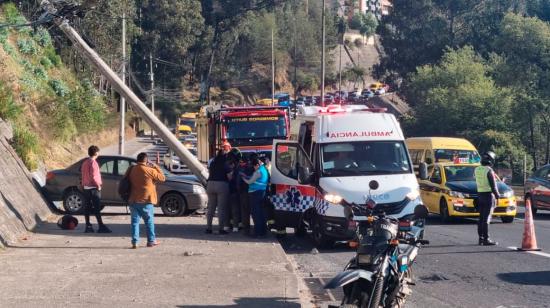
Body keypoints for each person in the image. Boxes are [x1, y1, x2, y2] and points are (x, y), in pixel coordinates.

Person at [126, 152, 166, 249]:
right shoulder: (150, 170)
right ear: (146, 160)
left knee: (135, 222)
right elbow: (163, 178)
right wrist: (156, 166)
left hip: (133, 199)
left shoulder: (131, 169)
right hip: (146, 200)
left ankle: (135, 242)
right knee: (149, 221)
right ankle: (151, 241)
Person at [80, 145, 111, 233]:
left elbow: (83, 175)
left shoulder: (85, 162)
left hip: (86, 187)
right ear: (96, 153)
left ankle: (88, 225)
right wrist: (98, 186)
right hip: (94, 188)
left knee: (87, 207)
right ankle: (101, 226)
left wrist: (83, 184)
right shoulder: (93, 163)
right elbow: (93, 176)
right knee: (97, 208)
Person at [206, 141, 233, 234]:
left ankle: (208, 228)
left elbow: (210, 172)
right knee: (221, 208)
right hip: (221, 185)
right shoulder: (226, 163)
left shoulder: (213, 161)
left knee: (211, 207)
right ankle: (221, 229)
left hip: (210, 184)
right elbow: (229, 177)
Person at [474, 151, 500, 246]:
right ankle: (486, 239)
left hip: (480, 195)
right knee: (486, 218)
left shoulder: (477, 170)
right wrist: (498, 196)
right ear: (491, 160)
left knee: (481, 218)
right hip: (488, 196)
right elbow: (493, 186)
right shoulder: (489, 171)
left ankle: (480, 238)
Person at [242, 158, 269, 237]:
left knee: (256, 214)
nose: (254, 168)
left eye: (254, 166)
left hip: (255, 194)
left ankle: (257, 233)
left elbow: (249, 181)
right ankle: (263, 232)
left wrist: (243, 177)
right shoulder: (264, 169)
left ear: (257, 165)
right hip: (262, 193)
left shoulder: (258, 171)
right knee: (261, 213)